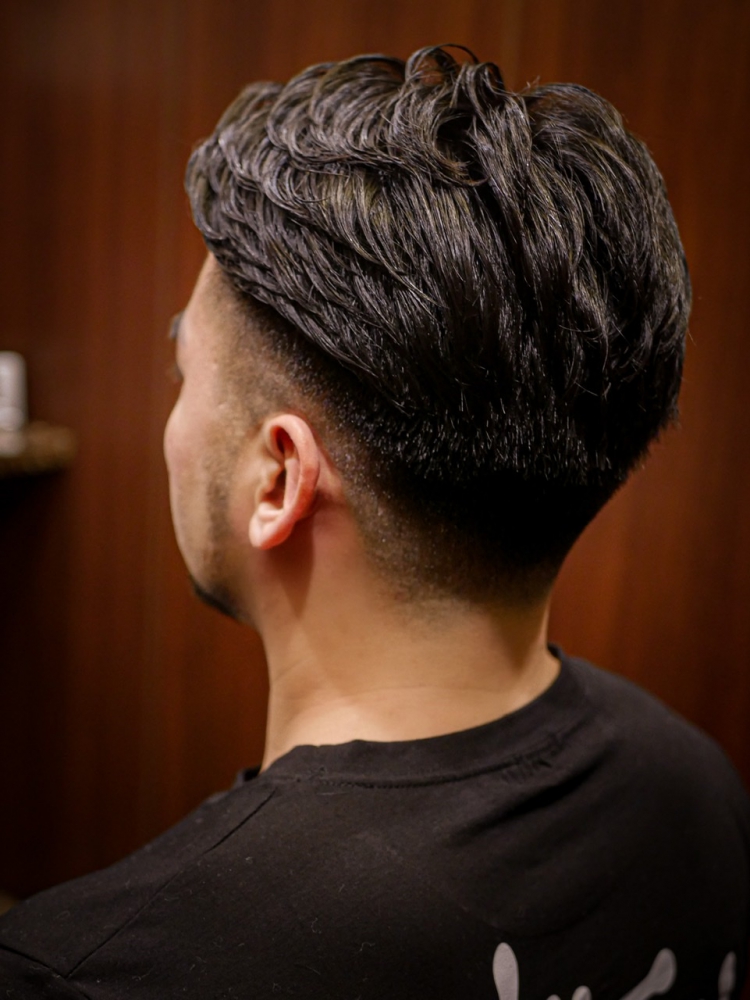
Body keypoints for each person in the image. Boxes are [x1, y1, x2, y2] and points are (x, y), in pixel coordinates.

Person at [0, 45, 748, 999]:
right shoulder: (697, 791)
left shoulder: (93, 975)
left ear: (279, 478)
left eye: (183, 369)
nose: (172, 420)